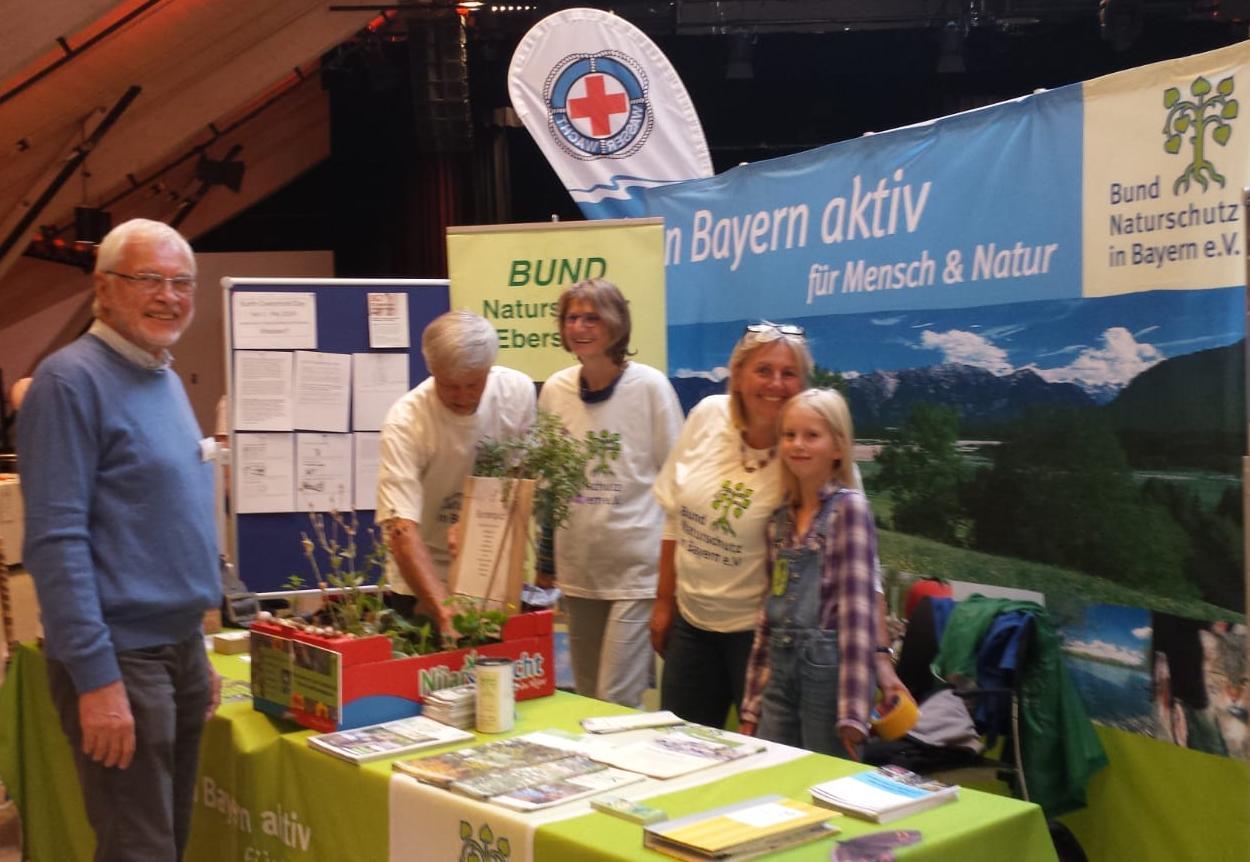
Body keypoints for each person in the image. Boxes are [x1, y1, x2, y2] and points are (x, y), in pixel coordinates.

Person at [18, 218, 222, 861]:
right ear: (103, 289)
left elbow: (165, 523)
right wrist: (97, 678)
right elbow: (55, 540)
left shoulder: (161, 376)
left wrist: (198, 647)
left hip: (178, 650)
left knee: (168, 842)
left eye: (182, 282)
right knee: (140, 851)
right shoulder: (69, 382)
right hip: (122, 660)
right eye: (149, 280)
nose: (169, 296)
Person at [650, 322, 813, 727]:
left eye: (788, 373)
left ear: (802, 383)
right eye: (763, 370)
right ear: (738, 375)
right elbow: (674, 515)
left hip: (762, 638)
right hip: (692, 624)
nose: (775, 383)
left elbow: (848, 536)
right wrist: (663, 602)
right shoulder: (707, 416)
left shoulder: (808, 443)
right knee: (677, 749)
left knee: (764, 758)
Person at [537, 279, 682, 707]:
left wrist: (669, 589)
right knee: (585, 698)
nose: (579, 326)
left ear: (616, 324)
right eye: (571, 318)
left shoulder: (650, 387)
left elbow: (677, 480)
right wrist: (545, 560)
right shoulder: (554, 391)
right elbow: (550, 482)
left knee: (617, 700)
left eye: (591, 317)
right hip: (578, 570)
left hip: (635, 571)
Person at [376, 311, 536, 640]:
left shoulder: (516, 392)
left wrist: (476, 522)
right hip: (421, 580)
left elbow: (521, 478)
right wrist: (444, 609)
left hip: (493, 578)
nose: (463, 396)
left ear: (489, 369)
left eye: (473, 385)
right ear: (431, 370)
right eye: (450, 386)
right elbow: (400, 530)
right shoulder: (406, 422)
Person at [738, 388, 878, 758]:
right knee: (773, 776)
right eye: (789, 435)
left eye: (811, 436)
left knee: (826, 781)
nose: (798, 445)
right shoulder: (778, 521)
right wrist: (751, 703)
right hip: (779, 673)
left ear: (837, 447)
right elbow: (767, 617)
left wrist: (853, 712)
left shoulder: (849, 510)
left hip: (827, 677)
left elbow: (857, 618)